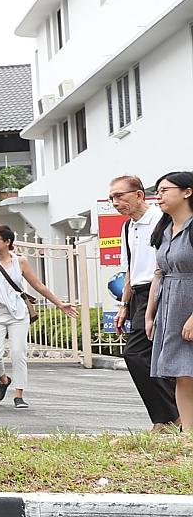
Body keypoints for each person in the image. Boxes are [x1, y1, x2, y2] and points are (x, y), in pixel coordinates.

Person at [0, 224, 78, 409]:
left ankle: (19, 395)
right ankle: (4, 380)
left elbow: (38, 285)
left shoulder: (20, 261)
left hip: (18, 313)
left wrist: (60, 304)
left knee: (19, 353)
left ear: (7, 241)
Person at [108, 175, 180, 430]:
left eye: (120, 196)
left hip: (162, 290)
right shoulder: (127, 227)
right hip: (138, 295)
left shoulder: (162, 221)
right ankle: (169, 417)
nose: (115, 203)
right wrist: (123, 306)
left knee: (139, 354)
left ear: (139, 195)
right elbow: (129, 271)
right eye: (112, 198)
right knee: (145, 356)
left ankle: (169, 417)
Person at [147, 171, 193, 432]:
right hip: (170, 304)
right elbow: (159, 272)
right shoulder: (164, 229)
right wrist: (150, 313)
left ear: (187, 191)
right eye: (158, 190)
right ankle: (188, 434)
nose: (159, 195)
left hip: (189, 304)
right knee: (182, 373)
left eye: (165, 190)